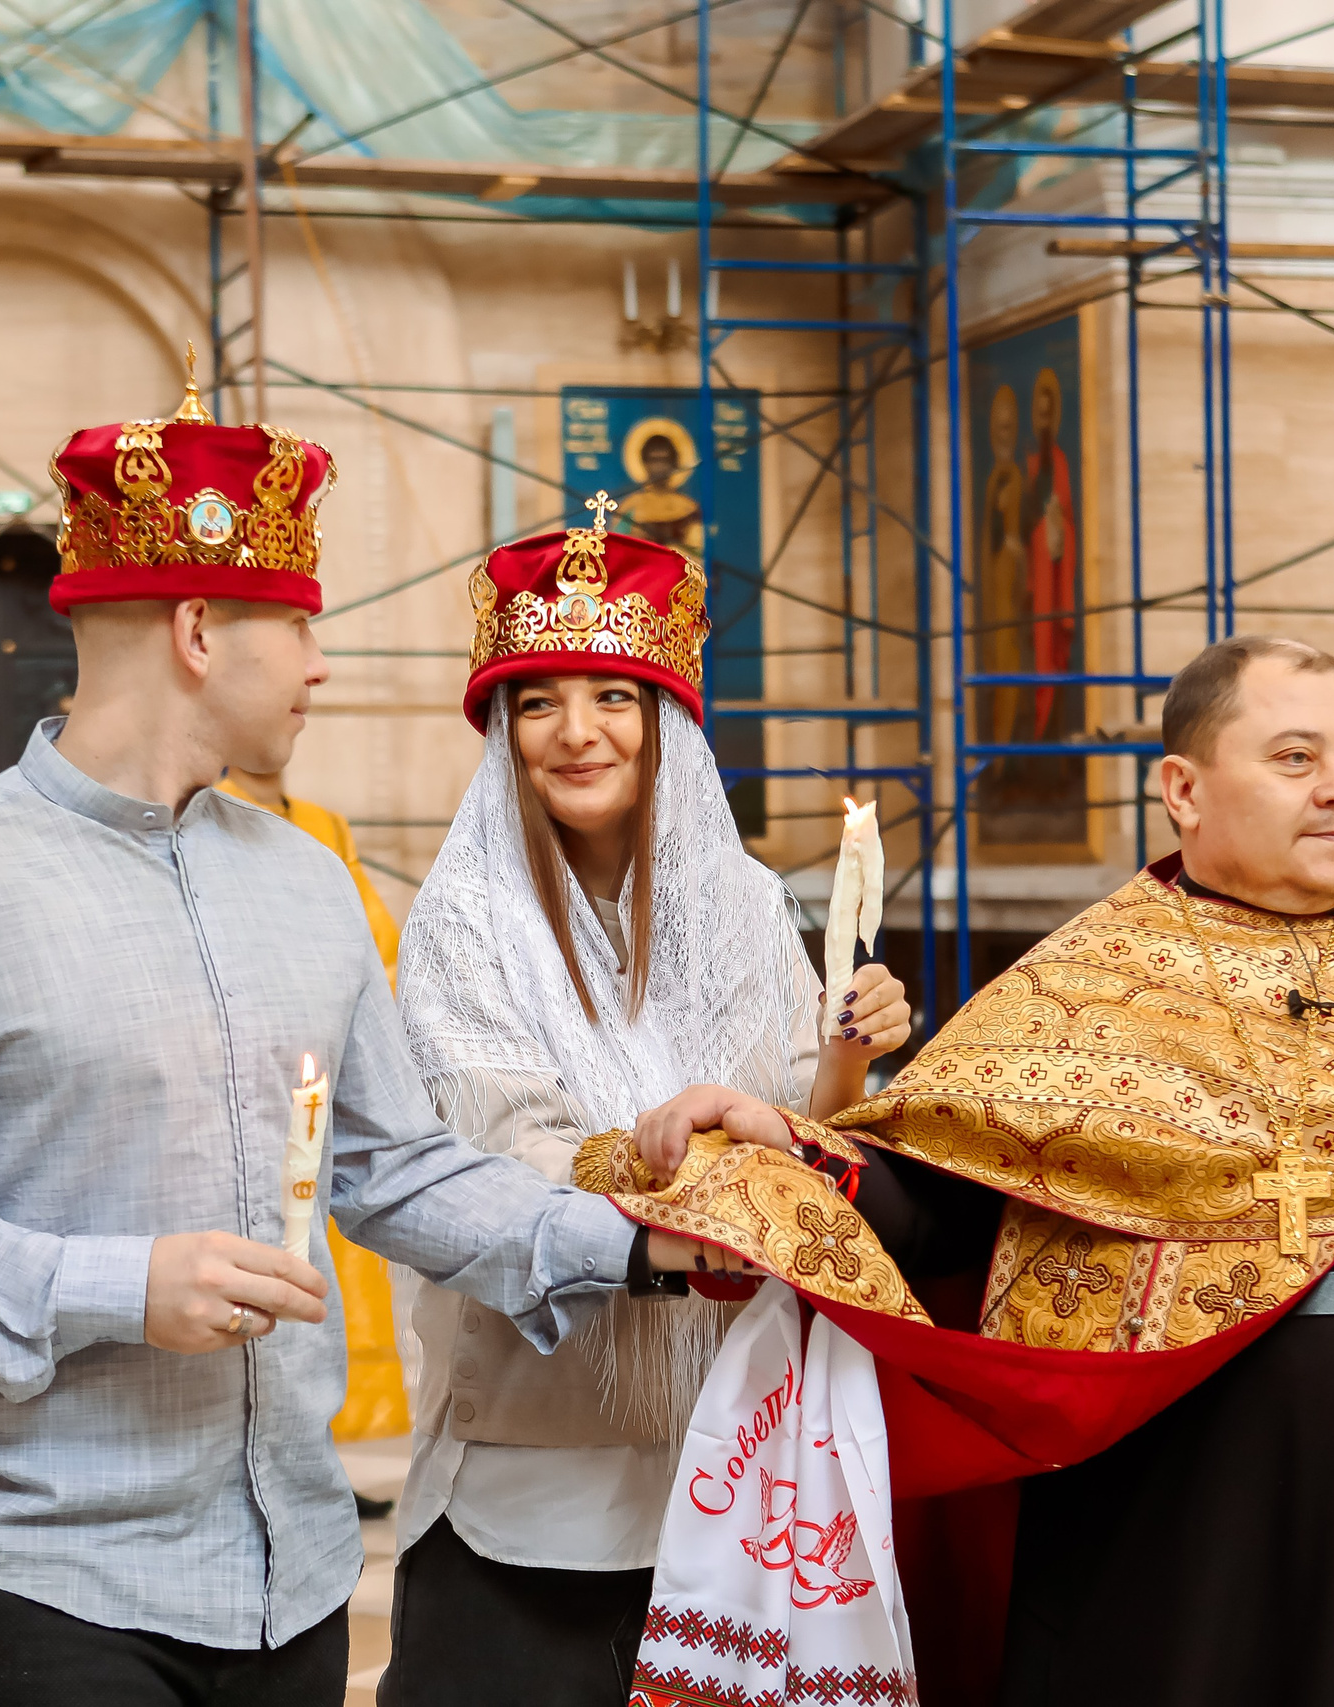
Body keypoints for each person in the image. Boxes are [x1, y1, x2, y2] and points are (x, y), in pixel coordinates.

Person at [0, 374, 740, 1707]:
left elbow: (394, 1168)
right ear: (203, 629)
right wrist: (111, 1284)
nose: (324, 664)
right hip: (56, 1578)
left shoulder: (307, 880)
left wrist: (639, 1244)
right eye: (303, 626)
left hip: (297, 1569)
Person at [600, 634, 1334, 1707]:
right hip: (1183, 1519)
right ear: (1182, 791)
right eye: (1297, 756)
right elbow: (940, 1206)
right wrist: (792, 1145)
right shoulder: (1079, 992)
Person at [377, 504, 912, 1707]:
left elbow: (801, 1129)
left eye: (613, 698)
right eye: (538, 702)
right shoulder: (464, 918)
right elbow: (494, 1154)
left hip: (736, 1456)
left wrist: (841, 1054)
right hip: (537, 1462)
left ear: (663, 720)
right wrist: (663, 1145)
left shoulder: (742, 897)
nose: (578, 732)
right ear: (501, 733)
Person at [215, 765, 409, 1454]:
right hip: (266, 1079)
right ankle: (277, 1439)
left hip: (336, 1077)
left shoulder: (325, 823)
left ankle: (334, 1441)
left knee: (347, 1272)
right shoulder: (213, 815)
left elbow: (371, 940)